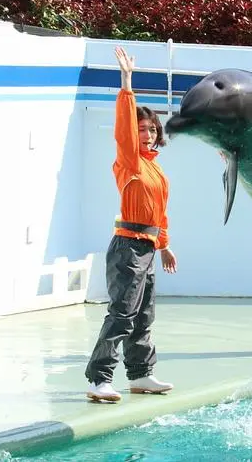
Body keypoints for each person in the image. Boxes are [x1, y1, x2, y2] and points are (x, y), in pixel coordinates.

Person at [85, 46, 177, 402]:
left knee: (144, 316)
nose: (147, 134)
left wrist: (165, 244)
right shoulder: (130, 161)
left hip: (148, 247)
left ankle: (140, 375)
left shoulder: (156, 169)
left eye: (151, 129)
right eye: (141, 129)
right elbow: (123, 129)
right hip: (128, 246)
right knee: (122, 314)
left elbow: (161, 212)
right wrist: (127, 84)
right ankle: (98, 379)